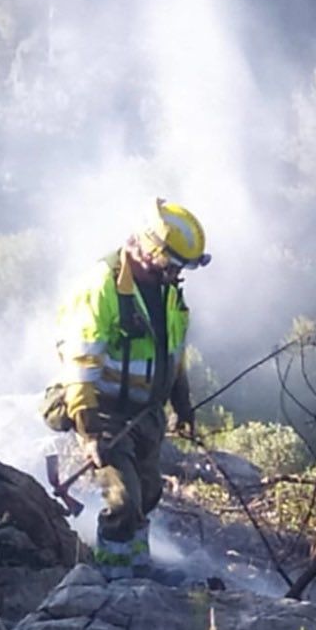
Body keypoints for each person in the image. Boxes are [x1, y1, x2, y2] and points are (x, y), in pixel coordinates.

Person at [48, 199, 210, 579]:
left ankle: (137, 568)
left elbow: (172, 353)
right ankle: (110, 582)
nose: (179, 273)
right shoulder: (100, 289)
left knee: (148, 492)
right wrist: (88, 434)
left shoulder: (168, 290)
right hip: (103, 411)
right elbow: (81, 369)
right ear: (151, 251)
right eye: (175, 264)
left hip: (145, 414)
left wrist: (182, 406)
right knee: (123, 498)